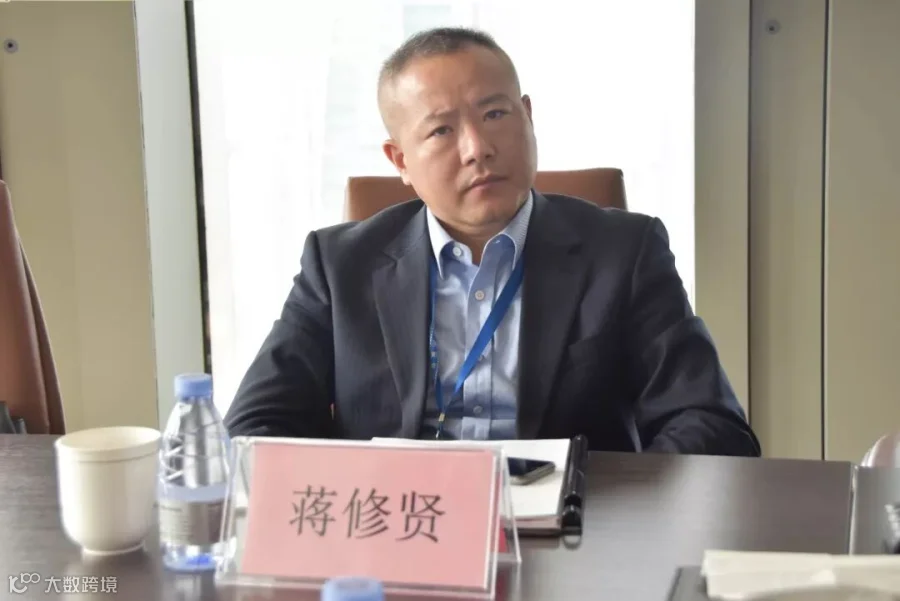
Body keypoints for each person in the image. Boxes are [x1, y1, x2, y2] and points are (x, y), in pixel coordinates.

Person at [223, 27, 761, 456]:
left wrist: (601, 506)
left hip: (569, 533)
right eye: (441, 130)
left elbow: (710, 424)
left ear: (528, 117)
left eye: (495, 114)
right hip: (401, 528)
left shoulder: (625, 252)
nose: (477, 148)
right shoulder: (339, 264)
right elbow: (253, 428)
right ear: (400, 160)